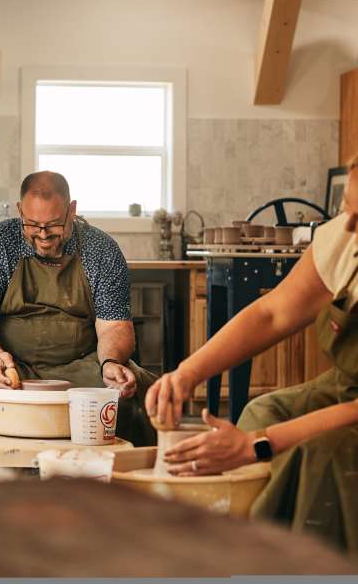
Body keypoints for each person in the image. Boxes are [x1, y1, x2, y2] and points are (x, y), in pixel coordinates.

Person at [146, 160, 358, 555]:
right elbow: (271, 312)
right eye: (349, 208)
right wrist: (187, 372)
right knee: (264, 412)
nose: (349, 225)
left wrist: (256, 446)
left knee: (321, 455)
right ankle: (250, 553)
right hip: (346, 383)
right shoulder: (349, 236)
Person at [0, 171, 156, 464]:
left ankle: (120, 484)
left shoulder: (101, 251)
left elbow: (114, 326)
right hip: (9, 364)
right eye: (33, 225)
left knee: (134, 385)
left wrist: (110, 361)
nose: (43, 234)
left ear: (72, 210)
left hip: (80, 364)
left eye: (53, 225)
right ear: (19, 210)